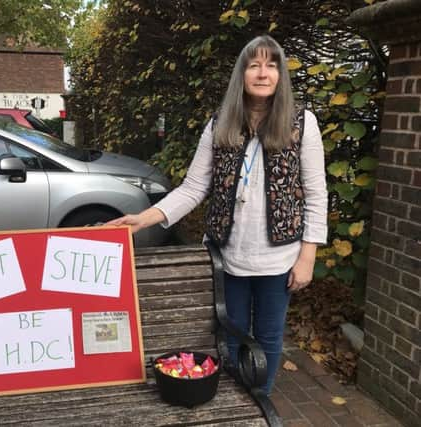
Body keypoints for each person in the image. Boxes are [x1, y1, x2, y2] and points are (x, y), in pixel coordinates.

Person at [106, 35, 327, 395]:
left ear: (280, 74)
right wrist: (144, 218)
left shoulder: (303, 124)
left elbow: (317, 194)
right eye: (253, 64)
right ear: (241, 73)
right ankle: (239, 398)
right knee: (233, 332)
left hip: (279, 258)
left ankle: (261, 401)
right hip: (228, 254)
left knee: (269, 335)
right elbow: (194, 188)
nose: (262, 72)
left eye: (271, 65)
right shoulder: (219, 124)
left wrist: (308, 255)